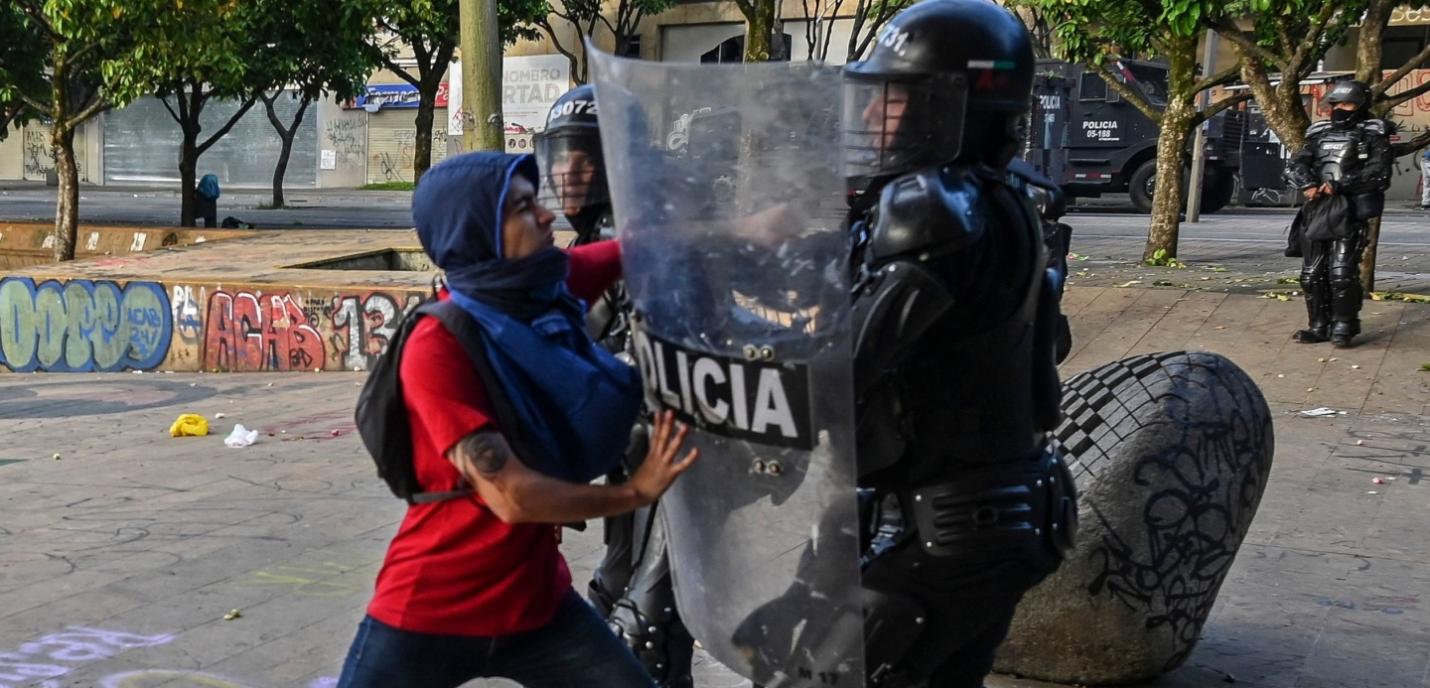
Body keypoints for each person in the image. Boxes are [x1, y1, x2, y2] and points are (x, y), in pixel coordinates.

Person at [337, 151, 699, 688]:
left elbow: (639, 251)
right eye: (524, 208)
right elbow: (512, 497)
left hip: (537, 608)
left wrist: (757, 230)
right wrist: (634, 494)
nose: (548, 216)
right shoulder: (437, 345)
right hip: (434, 609)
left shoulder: (539, 290)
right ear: (478, 231)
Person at [840, 1, 1076, 684]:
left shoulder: (931, 210)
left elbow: (842, 368)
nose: (869, 119)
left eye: (893, 100)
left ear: (952, 109)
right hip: (999, 510)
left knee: (821, 670)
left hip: (946, 522)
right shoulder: (1001, 196)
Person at [534, 84, 697, 688]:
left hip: (673, 460)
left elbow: (661, 363)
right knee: (609, 603)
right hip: (628, 461)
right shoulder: (594, 237)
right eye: (560, 156)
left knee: (645, 632)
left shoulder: (649, 234)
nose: (567, 172)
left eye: (585, 157)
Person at [1286, 80, 1393, 348]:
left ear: (1360, 106)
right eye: (1336, 104)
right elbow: (1296, 163)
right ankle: (1318, 325)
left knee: (1341, 273)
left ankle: (1344, 325)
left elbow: (1379, 172)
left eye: (1347, 104)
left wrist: (1340, 185)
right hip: (1317, 209)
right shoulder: (1318, 133)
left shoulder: (1372, 133)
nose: (1340, 110)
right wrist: (1307, 183)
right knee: (1311, 274)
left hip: (1350, 210)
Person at [1420, 145, 1430, 209]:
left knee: (1427, 183)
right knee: (1427, 182)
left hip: (1424, 160)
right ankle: (1426, 203)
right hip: (1428, 161)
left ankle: (1425, 203)